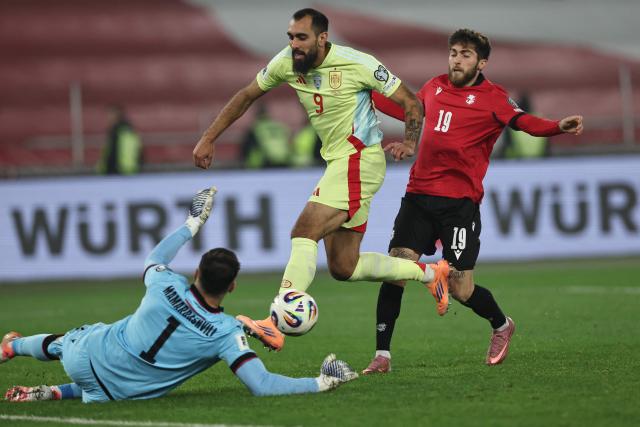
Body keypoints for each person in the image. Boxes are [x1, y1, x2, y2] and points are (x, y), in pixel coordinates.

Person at [192, 8, 450, 352]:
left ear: (322, 38)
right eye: (291, 37)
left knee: (304, 231)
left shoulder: (357, 63)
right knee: (344, 266)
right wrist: (209, 138)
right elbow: (246, 95)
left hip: (360, 159)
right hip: (338, 164)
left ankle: (274, 321)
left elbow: (410, 102)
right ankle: (433, 275)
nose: (294, 45)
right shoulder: (286, 62)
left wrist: (409, 142)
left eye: (302, 38)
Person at [0, 186, 357, 403]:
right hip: (123, 392)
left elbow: (155, 257)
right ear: (232, 286)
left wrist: (192, 223)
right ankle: (58, 391)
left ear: (196, 272)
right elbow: (262, 386)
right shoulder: (226, 333)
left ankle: (12, 348)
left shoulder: (164, 283)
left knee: (69, 342)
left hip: (86, 356)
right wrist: (323, 381)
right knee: (119, 378)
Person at [363, 29, 584, 374]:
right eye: (453, 52)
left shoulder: (494, 97)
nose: (456, 59)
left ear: (481, 62)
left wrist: (558, 126)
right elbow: (408, 109)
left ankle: (500, 325)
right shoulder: (434, 86)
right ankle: (382, 356)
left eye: (465, 54)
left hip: (459, 206)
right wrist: (366, 92)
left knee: (461, 288)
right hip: (419, 197)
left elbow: (524, 122)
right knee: (395, 271)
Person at [241, 103, 291, 169]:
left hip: (267, 162)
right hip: (285, 160)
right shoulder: (279, 126)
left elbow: (247, 148)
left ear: (257, 116)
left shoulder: (256, 128)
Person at [96, 105, 143, 175]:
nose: (108, 117)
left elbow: (114, 151)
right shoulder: (127, 129)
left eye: (110, 114)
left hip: (119, 170)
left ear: (117, 115)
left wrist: (107, 168)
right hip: (126, 168)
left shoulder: (119, 130)